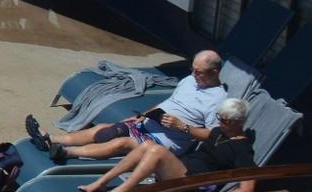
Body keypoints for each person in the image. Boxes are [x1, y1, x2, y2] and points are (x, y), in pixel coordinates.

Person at [26, 51, 227, 162]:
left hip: (168, 141)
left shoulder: (218, 100)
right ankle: (50, 139)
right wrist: (143, 116)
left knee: (122, 143)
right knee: (107, 130)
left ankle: (66, 152)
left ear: (214, 72)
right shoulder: (189, 80)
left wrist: (181, 126)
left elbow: (214, 136)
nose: (193, 75)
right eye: (193, 69)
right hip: (150, 124)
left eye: (199, 72)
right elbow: (169, 103)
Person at [78, 97, 258, 192]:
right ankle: (102, 182)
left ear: (238, 122)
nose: (220, 122)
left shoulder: (243, 150)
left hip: (195, 185)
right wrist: (181, 126)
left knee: (156, 151)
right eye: (219, 118)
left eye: (225, 120)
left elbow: (247, 191)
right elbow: (198, 133)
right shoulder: (219, 132)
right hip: (183, 170)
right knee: (147, 145)